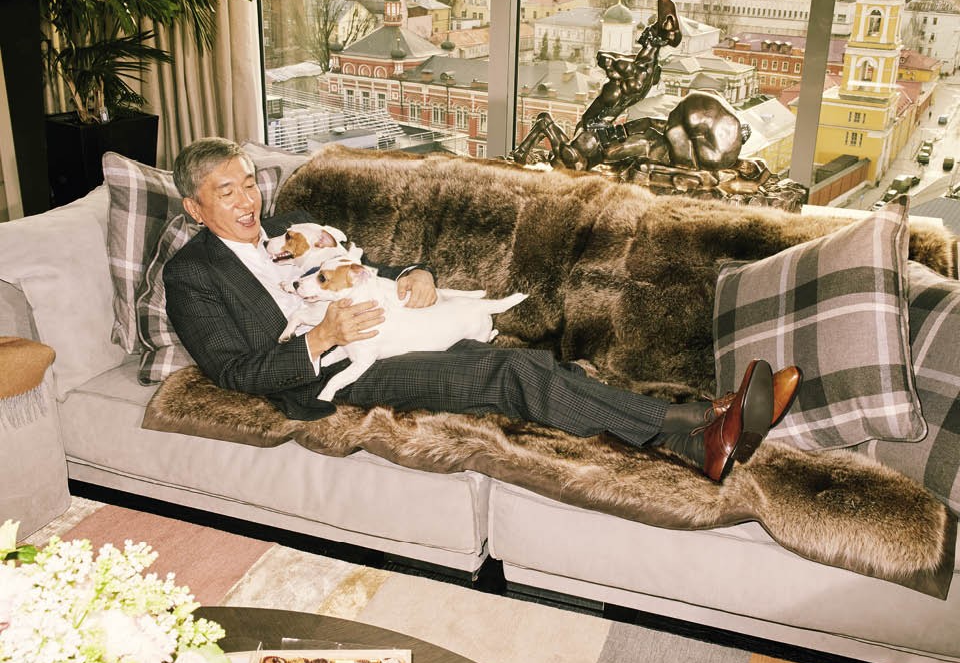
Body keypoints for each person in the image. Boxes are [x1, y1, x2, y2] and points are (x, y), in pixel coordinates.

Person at [163, 138, 801, 483]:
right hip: (333, 373)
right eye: (228, 191)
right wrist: (320, 337)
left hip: (389, 331)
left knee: (524, 361)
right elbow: (234, 371)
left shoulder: (290, 225)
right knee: (506, 375)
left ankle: (695, 434)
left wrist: (414, 274)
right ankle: (694, 423)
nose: (249, 200)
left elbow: (368, 265)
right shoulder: (193, 274)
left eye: (250, 182)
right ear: (194, 208)